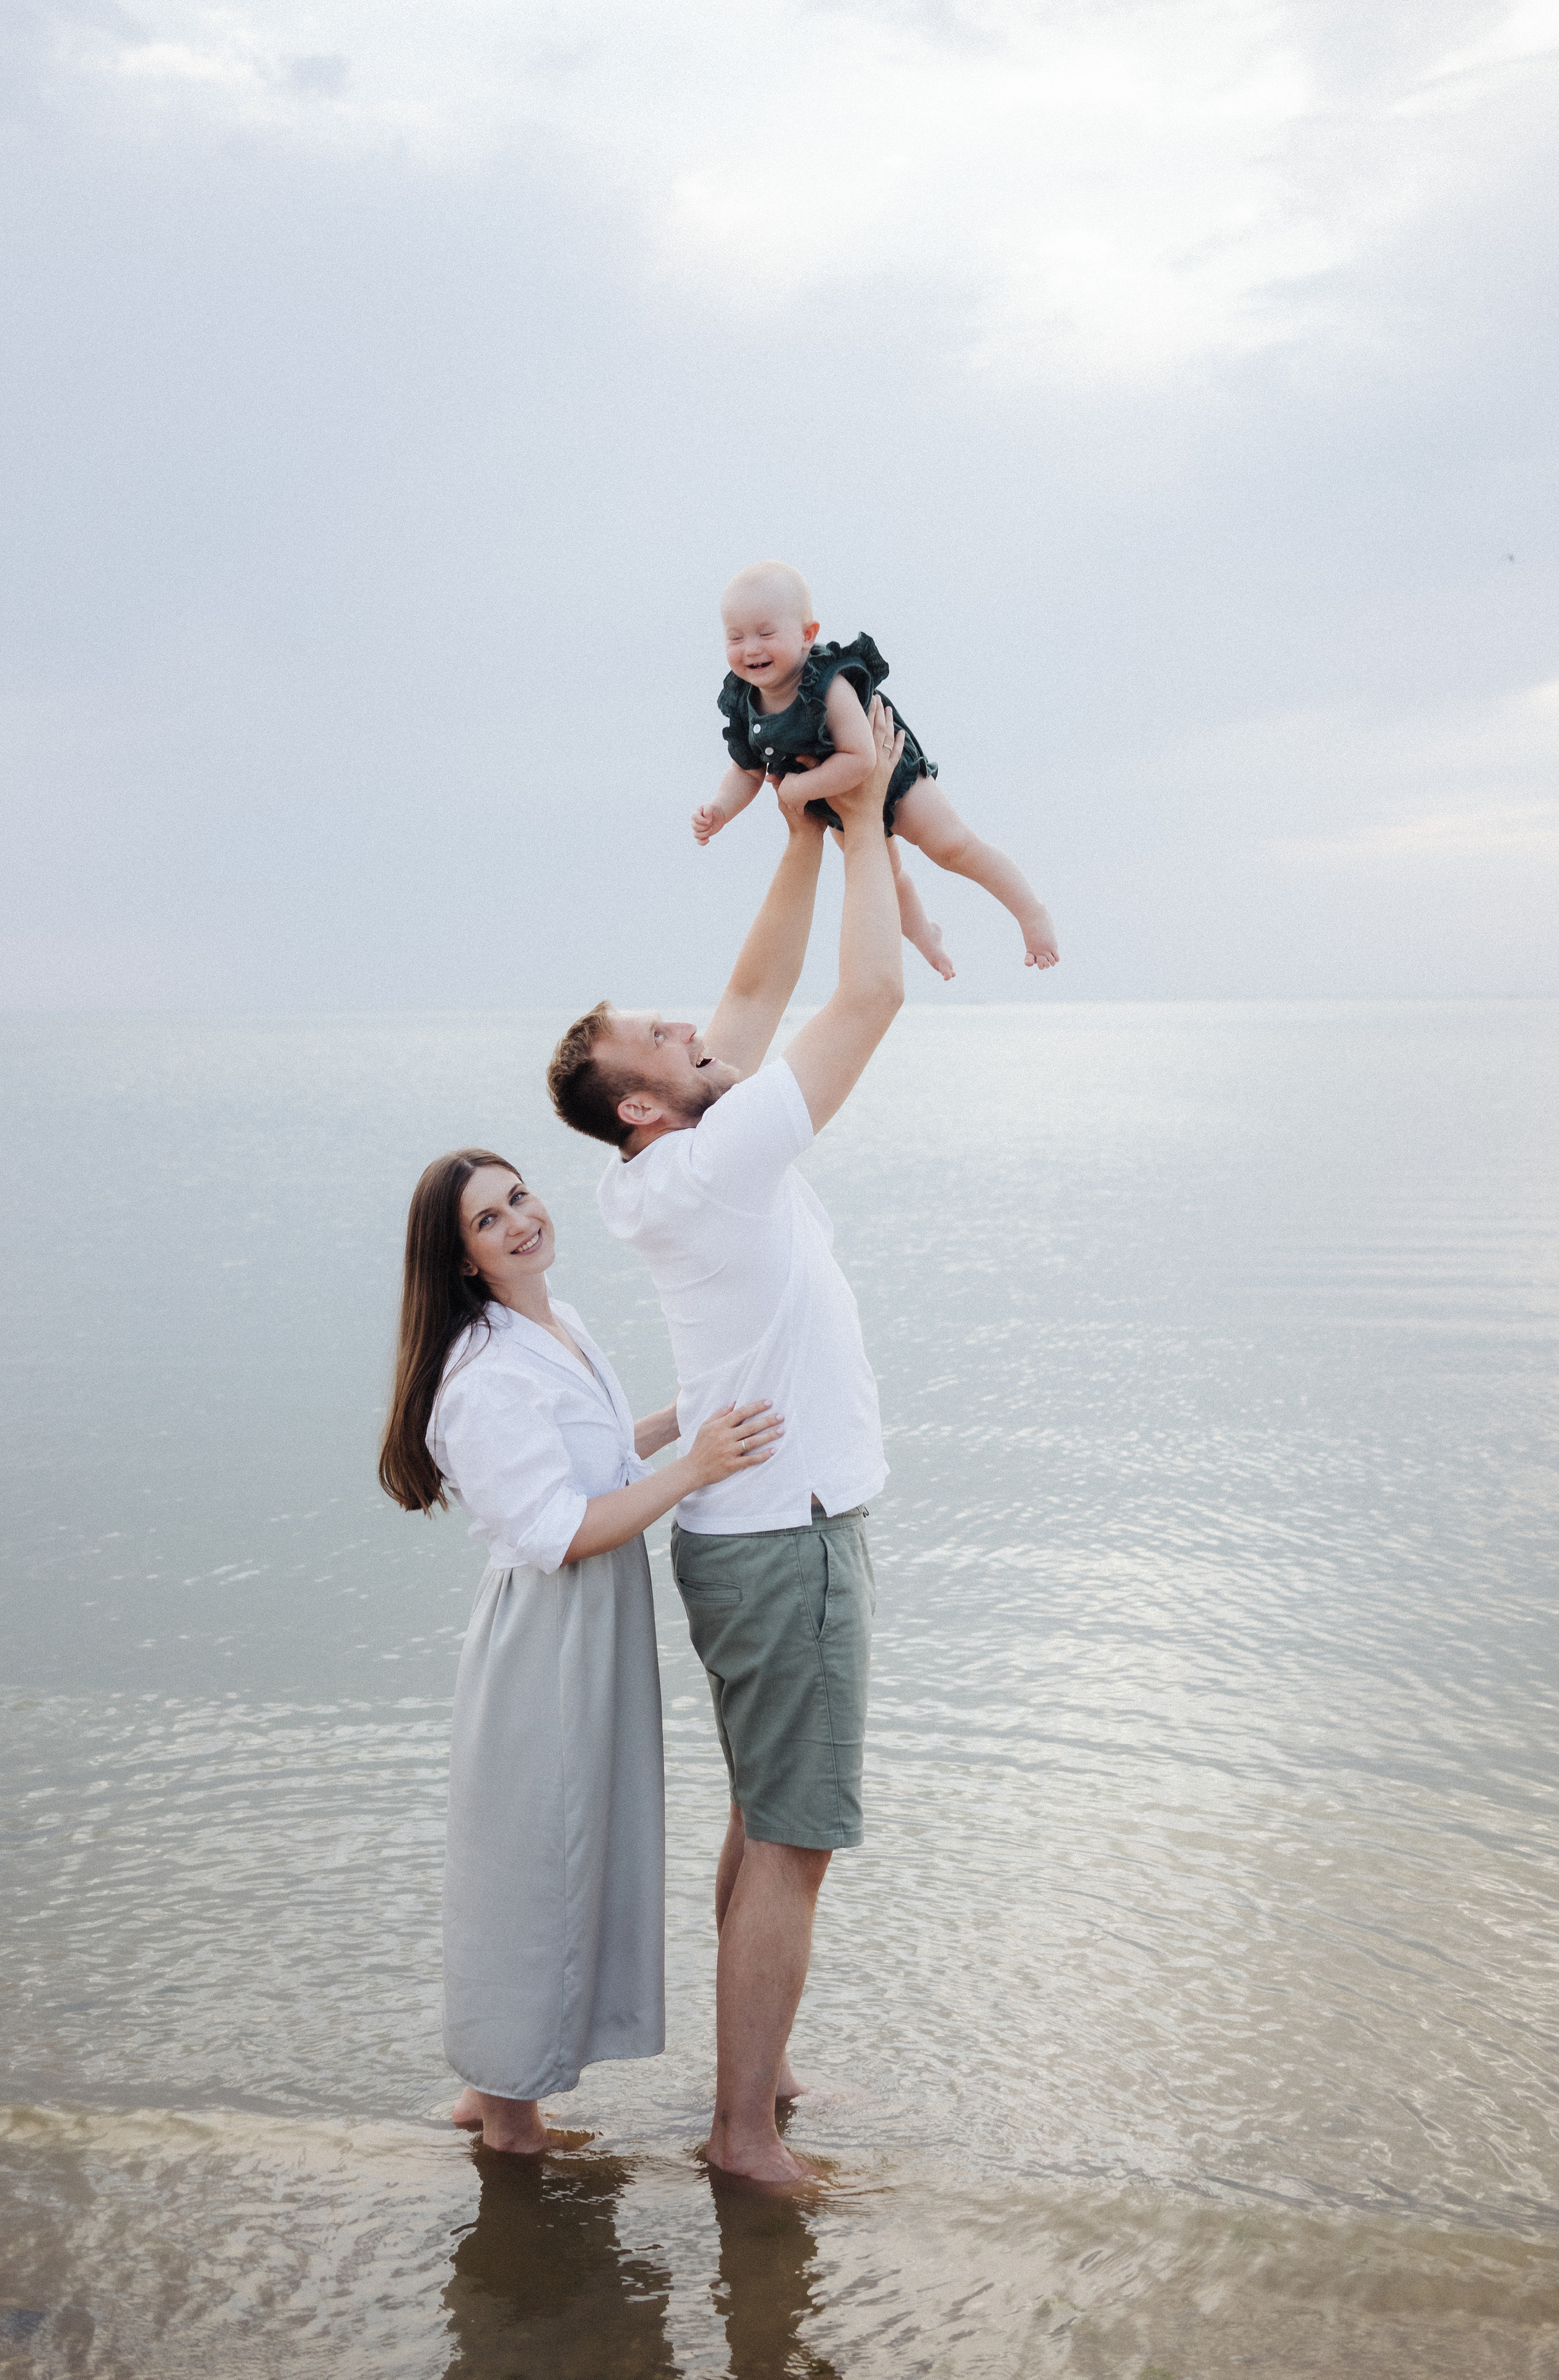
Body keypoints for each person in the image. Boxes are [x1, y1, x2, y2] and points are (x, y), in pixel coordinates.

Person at [545, 700, 908, 2186]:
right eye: (664, 1036)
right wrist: (870, 814)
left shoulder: (666, 1165)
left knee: (764, 1812)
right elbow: (864, 1000)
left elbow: (755, 988)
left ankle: (747, 2078)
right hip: (786, 1533)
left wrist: (799, 839)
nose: (697, 1029)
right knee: (793, 1840)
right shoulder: (713, 1163)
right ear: (641, 1099)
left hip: (745, 1528)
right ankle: (740, 2127)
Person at [377, 1148, 782, 2156]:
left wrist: (686, 1419)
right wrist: (695, 1470)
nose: (519, 1221)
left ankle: (493, 2091)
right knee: (536, 1866)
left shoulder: (553, 1323)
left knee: (559, 1851)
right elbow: (562, 1528)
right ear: (463, 1259)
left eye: (519, 1196)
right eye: (487, 1220)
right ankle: (511, 2122)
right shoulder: (481, 1373)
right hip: (551, 1631)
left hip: (587, 1618)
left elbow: (598, 1457)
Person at [692, 558, 1060, 982]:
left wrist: (800, 789)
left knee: (952, 847)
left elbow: (861, 757)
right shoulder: (745, 700)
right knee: (884, 879)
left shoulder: (826, 683)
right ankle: (924, 934)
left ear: (808, 636)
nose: (751, 648)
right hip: (838, 803)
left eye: (766, 633)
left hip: (892, 778)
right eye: (735, 637)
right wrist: (721, 808)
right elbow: (746, 770)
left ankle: (1031, 912)